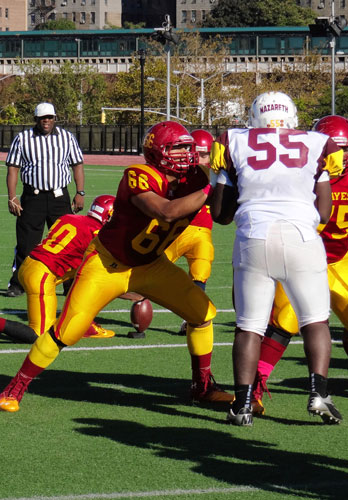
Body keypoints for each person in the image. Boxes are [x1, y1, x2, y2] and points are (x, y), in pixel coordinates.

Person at [0, 120, 233, 413]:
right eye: (178, 149)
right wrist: (214, 184)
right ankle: (14, 387)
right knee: (67, 331)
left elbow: (225, 214)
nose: (187, 155)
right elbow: (166, 211)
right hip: (108, 264)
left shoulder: (197, 178)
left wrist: (232, 179)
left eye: (190, 148)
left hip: (152, 265)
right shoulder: (138, 174)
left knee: (202, 313)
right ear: (157, 152)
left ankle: (202, 387)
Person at [210, 91, 344, 426]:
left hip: (253, 235)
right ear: (292, 115)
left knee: (249, 327)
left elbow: (220, 214)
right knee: (314, 321)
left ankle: (242, 405)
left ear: (254, 116)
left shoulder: (234, 141)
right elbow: (324, 210)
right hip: (301, 236)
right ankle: (319, 392)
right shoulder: (318, 143)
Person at [251, 115, 348, 414]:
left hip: (338, 257)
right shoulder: (295, 171)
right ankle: (255, 386)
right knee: (284, 323)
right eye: (335, 149)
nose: (342, 156)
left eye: (347, 149)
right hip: (298, 254)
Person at [0, 195, 118, 344]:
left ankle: (83, 324)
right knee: (40, 336)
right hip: (42, 275)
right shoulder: (97, 235)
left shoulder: (69, 218)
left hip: (29, 265)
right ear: (109, 215)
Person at [6, 102, 85, 297]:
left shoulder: (67, 138)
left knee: (66, 243)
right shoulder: (23, 138)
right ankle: (19, 284)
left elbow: (77, 165)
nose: (46, 121)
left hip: (60, 197)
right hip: (32, 197)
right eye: (42, 118)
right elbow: (13, 168)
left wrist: (80, 192)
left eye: (49, 117)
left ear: (55, 118)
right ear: (36, 119)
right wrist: (12, 197)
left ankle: (69, 284)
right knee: (27, 243)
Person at [165, 129, 215, 335]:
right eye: (199, 154)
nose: (201, 160)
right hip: (176, 230)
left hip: (202, 233)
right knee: (149, 268)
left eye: (205, 155)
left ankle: (191, 318)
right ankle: (139, 305)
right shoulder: (179, 172)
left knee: (201, 271)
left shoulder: (216, 175)